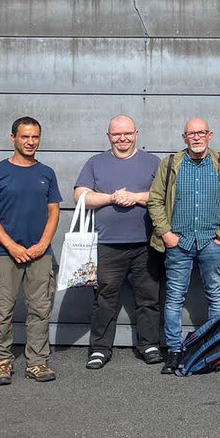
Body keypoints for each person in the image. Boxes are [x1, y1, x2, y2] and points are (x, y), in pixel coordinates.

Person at [147, 118, 220, 375]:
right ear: (184, 137)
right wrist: (166, 233)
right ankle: (174, 350)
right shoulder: (171, 164)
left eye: (201, 133)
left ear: (210, 135)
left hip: (211, 242)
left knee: (215, 294)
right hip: (178, 242)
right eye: (192, 133)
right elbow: (155, 200)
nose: (197, 137)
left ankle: (215, 349)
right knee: (175, 297)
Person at [73, 114, 163, 370]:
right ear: (108, 136)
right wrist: (112, 198)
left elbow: (164, 196)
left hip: (146, 244)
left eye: (127, 133)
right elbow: (80, 196)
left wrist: (134, 197)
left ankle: (150, 345)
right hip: (107, 245)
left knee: (148, 298)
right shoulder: (95, 163)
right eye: (116, 134)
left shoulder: (152, 162)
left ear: (136, 134)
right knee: (104, 298)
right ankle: (100, 349)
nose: (122, 138)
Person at [0, 116, 62, 386]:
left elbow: (53, 212)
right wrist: (12, 246)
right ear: (13, 137)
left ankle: (37, 362)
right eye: (24, 136)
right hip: (4, 253)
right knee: (3, 309)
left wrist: (41, 245)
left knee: (40, 308)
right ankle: (2, 362)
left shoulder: (46, 173)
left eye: (35, 137)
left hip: (40, 253)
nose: (30, 142)